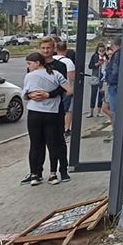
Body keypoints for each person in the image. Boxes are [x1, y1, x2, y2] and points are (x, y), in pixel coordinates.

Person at [21, 52, 71, 186]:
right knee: (52, 144)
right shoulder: (56, 74)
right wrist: (51, 94)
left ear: (37, 63)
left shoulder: (30, 76)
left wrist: (32, 96)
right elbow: (69, 90)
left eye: (29, 63)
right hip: (52, 112)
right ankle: (53, 174)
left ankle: (35, 174)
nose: (28, 66)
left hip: (35, 112)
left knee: (35, 144)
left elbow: (25, 95)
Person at [38, 37, 71, 182]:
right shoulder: (36, 64)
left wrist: (49, 94)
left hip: (56, 107)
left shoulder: (60, 66)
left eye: (48, 48)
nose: (46, 51)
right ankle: (36, 172)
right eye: (43, 48)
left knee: (59, 140)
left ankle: (63, 169)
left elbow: (63, 87)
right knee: (38, 141)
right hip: (39, 108)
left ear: (54, 49)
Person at [54, 42, 77, 136]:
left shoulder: (52, 59)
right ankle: (66, 128)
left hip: (54, 89)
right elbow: (72, 77)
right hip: (66, 89)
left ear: (56, 49)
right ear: (66, 50)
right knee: (67, 110)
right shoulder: (68, 62)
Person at [102, 37, 121, 123]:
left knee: (114, 110)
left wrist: (109, 80)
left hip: (114, 85)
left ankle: (117, 126)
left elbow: (115, 71)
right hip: (114, 84)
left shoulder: (117, 55)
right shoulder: (119, 54)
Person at [86, 43, 106, 118]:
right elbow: (90, 66)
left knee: (101, 94)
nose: (101, 52)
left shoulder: (106, 57)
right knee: (93, 94)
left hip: (103, 77)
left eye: (103, 50)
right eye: (100, 50)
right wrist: (97, 64)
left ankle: (99, 111)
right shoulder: (94, 56)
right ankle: (91, 111)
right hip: (95, 76)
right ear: (97, 50)